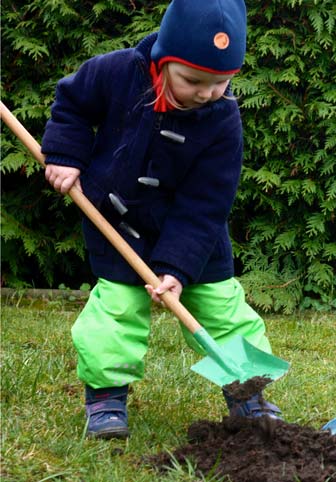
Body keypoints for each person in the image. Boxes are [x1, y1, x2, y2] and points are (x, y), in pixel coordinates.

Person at [40, 0, 282, 439]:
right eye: (193, 80)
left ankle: (249, 392)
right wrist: (64, 155)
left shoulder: (223, 119)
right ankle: (107, 395)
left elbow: (206, 203)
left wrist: (177, 268)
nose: (207, 92)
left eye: (221, 82)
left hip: (194, 239)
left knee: (223, 312)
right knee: (116, 311)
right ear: (164, 58)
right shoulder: (114, 73)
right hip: (116, 222)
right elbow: (72, 105)